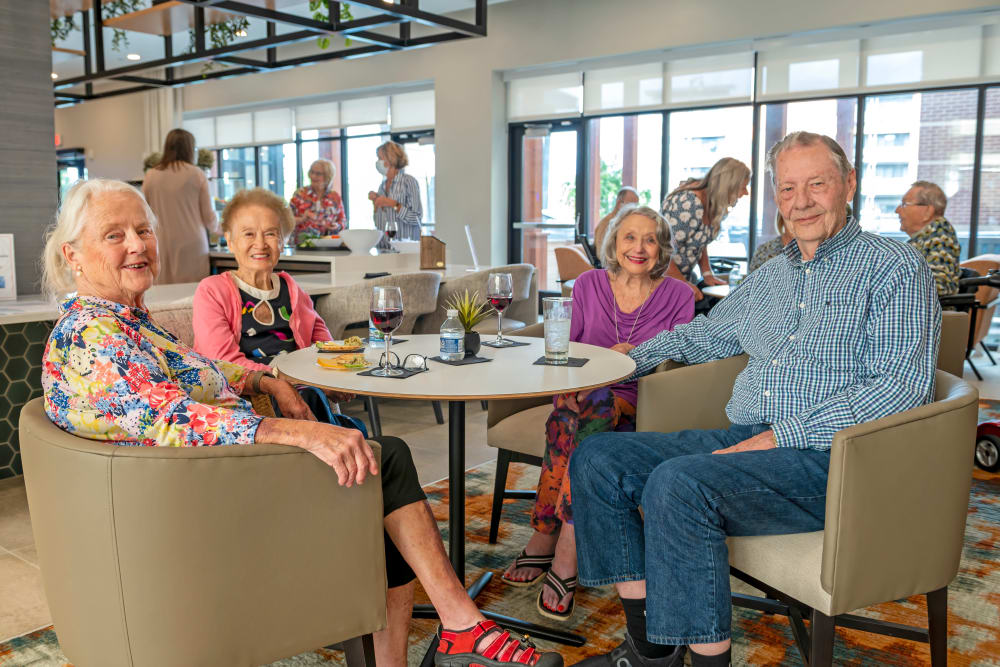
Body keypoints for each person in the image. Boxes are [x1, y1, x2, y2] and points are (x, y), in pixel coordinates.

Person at [40, 178, 562, 667]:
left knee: (371, 463)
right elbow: (169, 418)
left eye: (143, 230)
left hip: (209, 475)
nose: (137, 244)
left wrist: (268, 383)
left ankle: (444, 633)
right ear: (74, 255)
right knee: (383, 460)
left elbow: (198, 368)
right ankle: (461, 628)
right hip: (200, 501)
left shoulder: (124, 321)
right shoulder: (91, 336)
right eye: (115, 235)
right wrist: (299, 430)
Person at [569, 132, 940, 667]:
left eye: (817, 184)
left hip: (836, 460)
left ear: (849, 185)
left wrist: (780, 436)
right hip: (751, 437)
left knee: (679, 482)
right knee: (599, 458)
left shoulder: (895, 268)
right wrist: (626, 360)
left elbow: (901, 387)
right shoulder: (771, 275)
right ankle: (650, 652)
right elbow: (705, 336)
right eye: (788, 188)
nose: (802, 200)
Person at [501, 205, 695, 622]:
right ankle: (562, 544)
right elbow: (564, 348)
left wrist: (629, 358)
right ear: (614, 242)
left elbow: (680, 357)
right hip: (581, 392)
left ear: (661, 248)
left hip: (639, 397)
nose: (639, 248)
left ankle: (554, 544)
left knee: (592, 411)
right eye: (630, 237)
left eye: (650, 239)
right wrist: (575, 384)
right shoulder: (588, 285)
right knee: (570, 418)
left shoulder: (679, 295)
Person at [660, 158, 750, 309]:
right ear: (728, 185)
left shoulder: (713, 204)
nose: (746, 193)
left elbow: (700, 243)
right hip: (660, 285)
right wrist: (683, 284)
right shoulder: (688, 203)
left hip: (679, 281)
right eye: (743, 187)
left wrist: (707, 274)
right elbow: (661, 251)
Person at [141, 128, 219, 284]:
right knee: (192, 296)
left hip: (161, 243)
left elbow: (144, 213)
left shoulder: (151, 175)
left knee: (164, 295)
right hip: (192, 244)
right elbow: (209, 217)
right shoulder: (196, 174)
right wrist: (225, 230)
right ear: (190, 149)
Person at [896, 180, 961, 297]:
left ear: (928, 211)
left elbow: (939, 285)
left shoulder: (941, 239)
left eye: (904, 204)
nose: (897, 210)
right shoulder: (925, 238)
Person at [369, 140, 422, 246]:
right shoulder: (382, 186)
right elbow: (378, 223)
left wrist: (393, 204)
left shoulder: (409, 181)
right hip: (384, 249)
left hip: (405, 250)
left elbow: (416, 218)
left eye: (380, 158)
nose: (377, 162)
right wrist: (375, 203)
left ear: (391, 159)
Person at [289, 158, 346, 245]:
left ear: (328, 176)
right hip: (302, 246)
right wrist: (302, 219)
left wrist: (336, 226)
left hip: (328, 246)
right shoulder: (300, 194)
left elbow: (342, 221)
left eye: (318, 174)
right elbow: (286, 220)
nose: (313, 176)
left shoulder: (335, 197)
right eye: (312, 172)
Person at [594, 186, 640, 252]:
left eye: (636, 205)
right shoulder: (606, 223)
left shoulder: (624, 223)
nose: (635, 208)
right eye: (631, 205)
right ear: (619, 203)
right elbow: (601, 252)